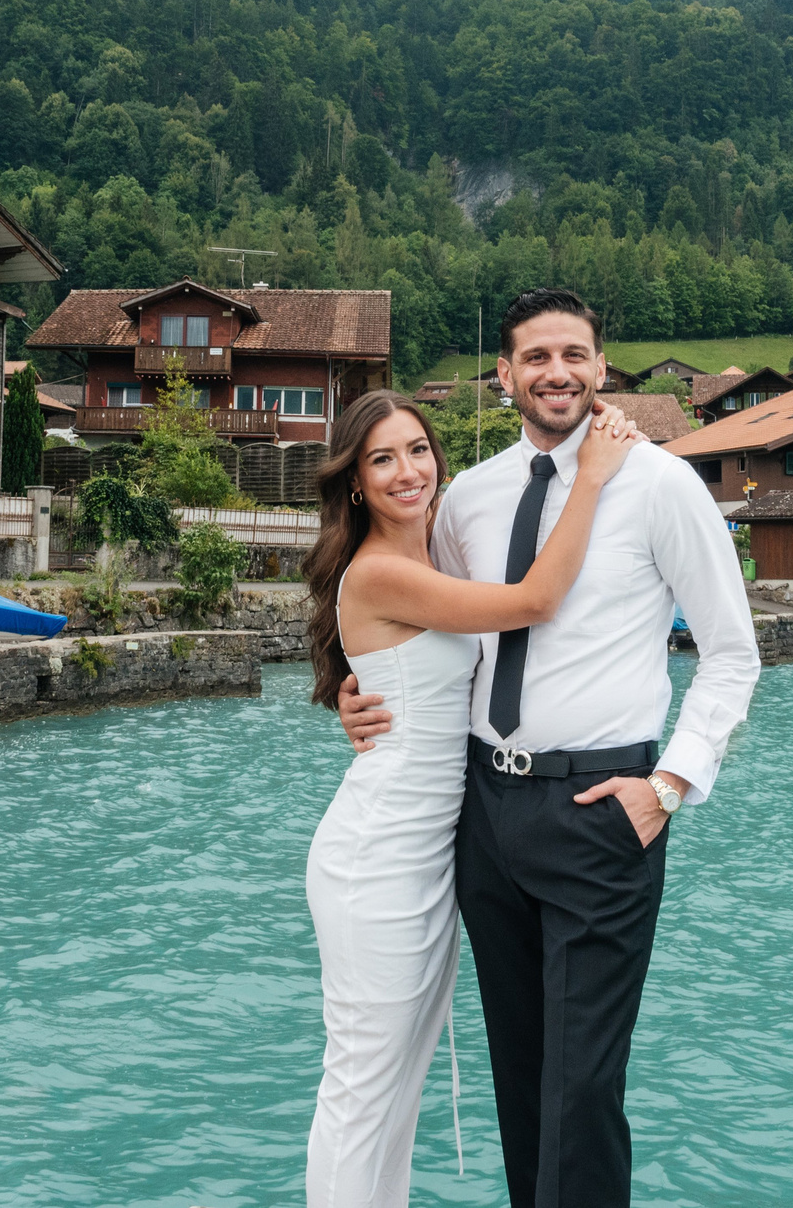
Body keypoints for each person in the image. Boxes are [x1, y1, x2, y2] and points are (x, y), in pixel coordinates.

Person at [338, 287, 761, 1207]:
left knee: (582, 1091)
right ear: (505, 376)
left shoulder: (663, 485)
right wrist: (356, 691)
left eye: (574, 353)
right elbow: (428, 626)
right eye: (536, 356)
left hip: (603, 812)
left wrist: (671, 785)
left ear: (601, 366)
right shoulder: (471, 500)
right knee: (522, 1084)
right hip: (485, 814)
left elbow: (733, 653)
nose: (557, 371)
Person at [303, 386, 643, 1208]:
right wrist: (592, 476)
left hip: (432, 854)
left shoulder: (433, 553)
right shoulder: (384, 569)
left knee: (398, 1090)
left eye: (417, 449)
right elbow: (533, 602)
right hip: (377, 857)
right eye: (382, 457)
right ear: (355, 481)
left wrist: (354, 691)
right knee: (361, 1091)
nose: (407, 469)